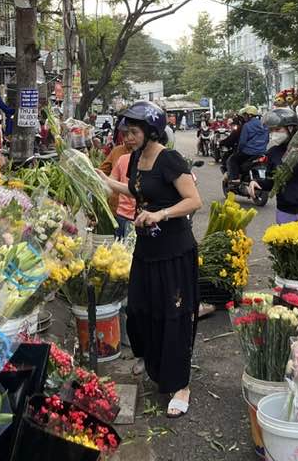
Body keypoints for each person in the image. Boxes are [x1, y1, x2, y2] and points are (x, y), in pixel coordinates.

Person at [99, 101, 202, 418]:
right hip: (146, 250)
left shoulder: (169, 159)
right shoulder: (133, 160)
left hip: (174, 250)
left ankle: (180, 384)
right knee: (140, 309)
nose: (127, 137)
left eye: (133, 132)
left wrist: (161, 213)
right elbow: (135, 189)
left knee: (174, 315)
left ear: (151, 131)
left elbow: (193, 200)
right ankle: (151, 359)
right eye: (125, 132)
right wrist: (101, 181)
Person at [249, 108, 298, 223]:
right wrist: (256, 182)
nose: (274, 133)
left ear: (290, 128)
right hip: (285, 212)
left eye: (277, 129)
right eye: (271, 130)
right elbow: (272, 182)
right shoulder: (272, 152)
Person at [227, 105, 268, 183]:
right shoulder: (264, 125)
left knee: (232, 160)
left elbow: (242, 142)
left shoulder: (247, 125)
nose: (244, 117)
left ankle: (235, 179)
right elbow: (267, 139)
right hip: (262, 152)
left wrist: (238, 151)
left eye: (245, 115)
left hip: (249, 152)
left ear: (249, 115)